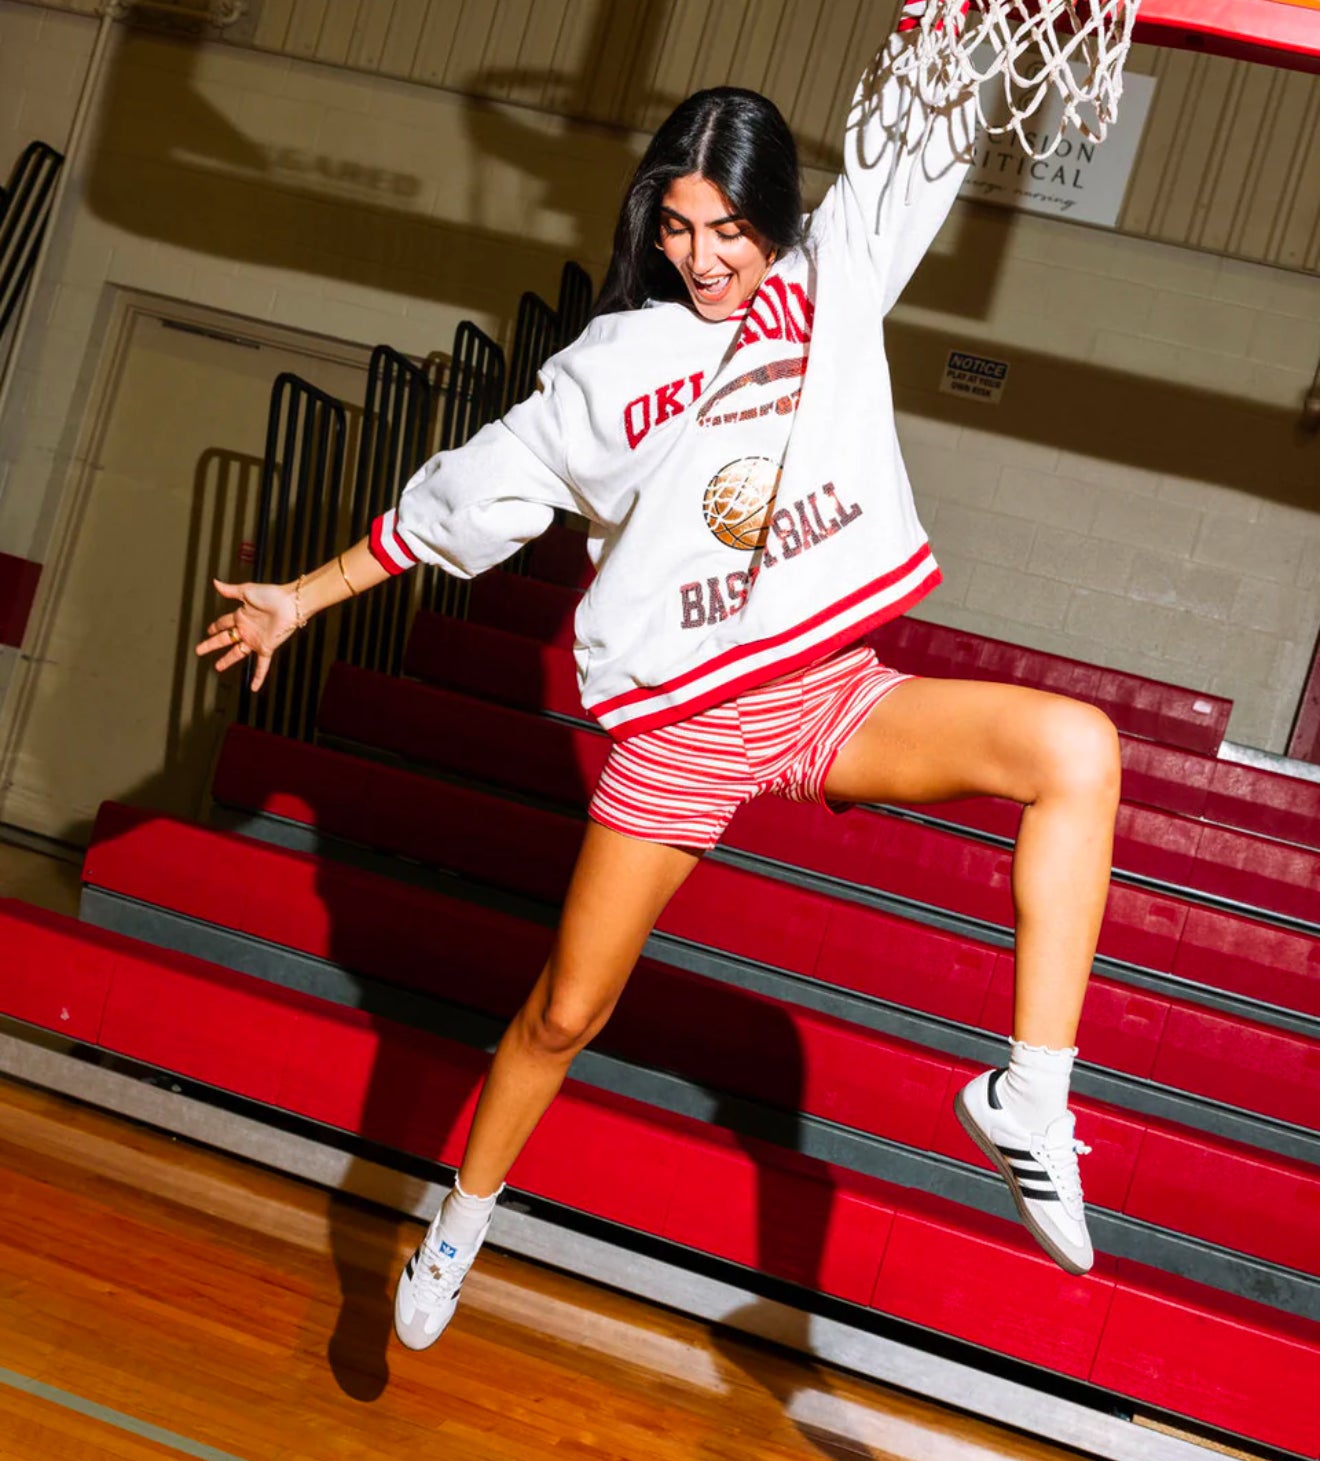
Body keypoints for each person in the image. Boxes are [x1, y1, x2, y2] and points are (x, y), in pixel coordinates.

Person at [198, 2, 1121, 1351]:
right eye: (679, 229)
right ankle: (466, 1208)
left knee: (1078, 751)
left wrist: (966, 21)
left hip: (821, 689)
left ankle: (1031, 1096)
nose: (704, 258)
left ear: (773, 217)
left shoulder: (837, 273)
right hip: (683, 724)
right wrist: (304, 591)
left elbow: (921, 133)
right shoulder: (606, 369)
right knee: (567, 1012)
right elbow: (459, 504)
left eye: (730, 230)